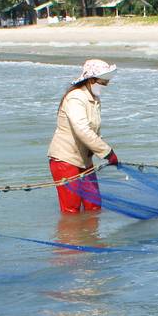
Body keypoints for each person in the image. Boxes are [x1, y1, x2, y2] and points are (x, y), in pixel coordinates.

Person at [48, 59, 119, 214]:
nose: (106, 85)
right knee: (71, 210)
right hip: (65, 160)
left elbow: (93, 131)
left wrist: (101, 152)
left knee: (94, 206)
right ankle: (69, 238)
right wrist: (107, 152)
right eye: (103, 82)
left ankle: (90, 237)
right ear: (91, 80)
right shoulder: (76, 98)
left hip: (84, 160)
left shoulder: (93, 99)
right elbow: (82, 130)